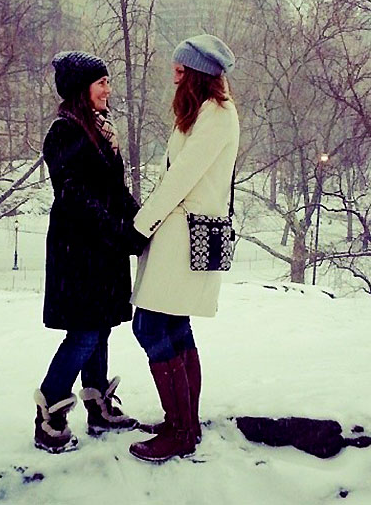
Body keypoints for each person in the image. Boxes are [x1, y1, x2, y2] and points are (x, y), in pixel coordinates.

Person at [128, 34, 240, 463]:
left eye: (180, 69)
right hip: (178, 233)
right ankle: (184, 425)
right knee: (172, 328)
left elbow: (181, 178)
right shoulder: (199, 114)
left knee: (151, 328)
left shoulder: (216, 115)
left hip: (184, 234)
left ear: (197, 74)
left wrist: (140, 225)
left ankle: (179, 429)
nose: (173, 75)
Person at [33, 51, 149, 454]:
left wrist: (140, 222)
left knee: (99, 328)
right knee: (83, 333)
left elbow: (114, 192)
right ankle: (49, 415)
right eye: (101, 82)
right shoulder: (64, 132)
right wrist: (120, 231)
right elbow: (75, 196)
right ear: (82, 88)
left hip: (101, 249)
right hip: (79, 250)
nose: (108, 89)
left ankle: (98, 407)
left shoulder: (100, 129)